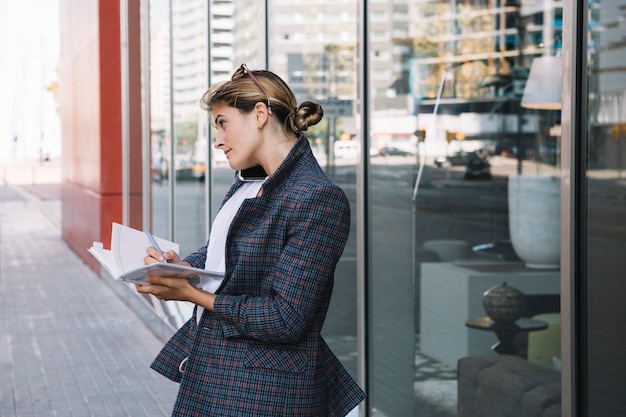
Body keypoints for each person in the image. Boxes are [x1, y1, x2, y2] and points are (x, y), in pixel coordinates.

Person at [136, 63, 366, 417]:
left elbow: (285, 317)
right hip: (224, 379)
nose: (218, 140)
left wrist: (192, 293)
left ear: (260, 114)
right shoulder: (249, 185)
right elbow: (225, 257)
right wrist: (180, 269)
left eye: (223, 123)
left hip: (264, 394)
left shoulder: (317, 197)